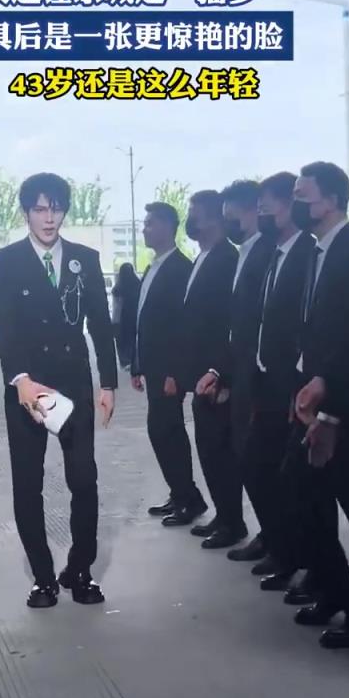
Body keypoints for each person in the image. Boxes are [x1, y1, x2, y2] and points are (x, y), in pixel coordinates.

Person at [0, 172, 117, 610]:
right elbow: (4, 328)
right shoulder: (5, 262)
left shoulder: (85, 259)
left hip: (73, 383)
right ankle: (43, 578)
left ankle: (80, 569)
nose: (49, 218)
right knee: (28, 485)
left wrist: (108, 383)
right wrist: (21, 379)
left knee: (84, 479)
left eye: (56, 208)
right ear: (26, 212)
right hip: (28, 387)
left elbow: (101, 326)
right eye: (40, 209)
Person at [290, 161, 349, 649]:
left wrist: (330, 412)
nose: (297, 205)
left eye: (304, 197)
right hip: (315, 402)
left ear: (333, 201)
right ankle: (336, 590)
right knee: (305, 496)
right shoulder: (318, 253)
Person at [240, 172, 316, 589]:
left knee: (296, 482)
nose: (262, 214)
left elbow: (306, 327)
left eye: (268, 206)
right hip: (267, 382)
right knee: (257, 467)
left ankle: (305, 561)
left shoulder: (308, 253)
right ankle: (284, 549)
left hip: (295, 387)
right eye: (260, 208)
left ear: (291, 205)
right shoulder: (276, 253)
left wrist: (298, 387)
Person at [196, 180, 275, 550]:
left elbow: (259, 324)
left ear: (253, 211)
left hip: (259, 378)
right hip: (237, 372)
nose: (228, 223)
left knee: (259, 464)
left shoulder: (264, 253)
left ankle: (279, 541)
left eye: (232, 216)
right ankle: (272, 538)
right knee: (248, 460)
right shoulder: (246, 252)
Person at [132, 202, 207, 527]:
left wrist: (176, 372)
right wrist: (137, 364)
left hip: (168, 371)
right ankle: (180, 494)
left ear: (166, 227)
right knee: (161, 432)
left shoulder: (179, 269)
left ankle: (189, 499)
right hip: (152, 366)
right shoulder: (154, 267)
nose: (145, 229)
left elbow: (183, 327)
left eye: (150, 223)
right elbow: (144, 320)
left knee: (167, 431)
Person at [179, 191, 244, 545]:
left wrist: (222, 372)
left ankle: (233, 522)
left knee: (221, 453)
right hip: (201, 376)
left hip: (216, 377)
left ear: (214, 218)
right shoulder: (203, 257)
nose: (190, 219)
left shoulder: (226, 259)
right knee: (209, 451)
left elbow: (228, 323)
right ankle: (224, 515)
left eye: (195, 213)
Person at [111, 262, 140, 369]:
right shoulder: (138, 285)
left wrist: (114, 322)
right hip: (135, 318)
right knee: (133, 340)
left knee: (122, 340)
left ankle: (125, 361)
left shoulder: (118, 288)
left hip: (123, 319)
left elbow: (116, 307)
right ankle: (134, 360)